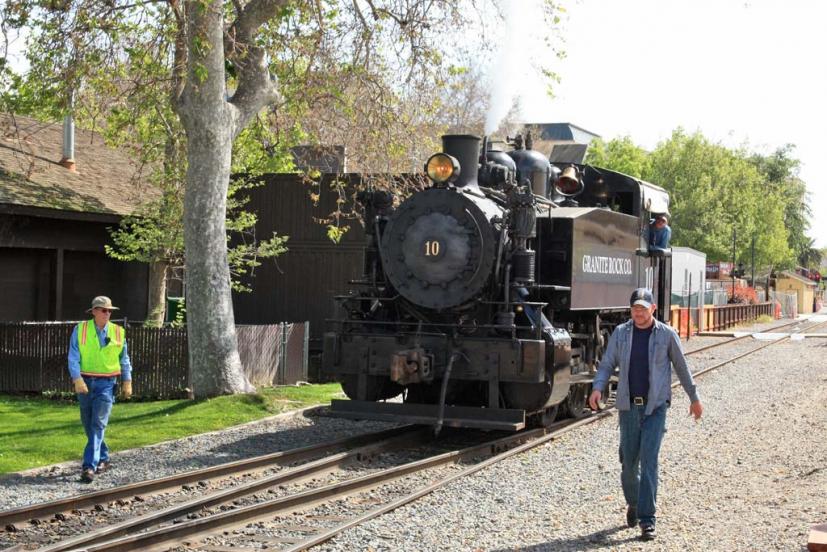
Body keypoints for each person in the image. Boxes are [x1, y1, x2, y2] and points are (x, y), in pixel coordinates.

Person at [588, 288, 702, 541]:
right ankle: (635, 503)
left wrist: (694, 399)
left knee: (649, 462)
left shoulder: (667, 335)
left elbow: (682, 369)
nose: (638, 313)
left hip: (655, 408)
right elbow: (607, 364)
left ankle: (647, 520)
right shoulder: (621, 333)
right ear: (631, 310)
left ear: (653, 309)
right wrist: (597, 387)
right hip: (628, 407)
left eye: (643, 308)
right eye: (634, 308)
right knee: (629, 464)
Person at [68, 296, 133, 483]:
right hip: (85, 382)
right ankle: (103, 457)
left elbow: (124, 359)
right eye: (104, 310)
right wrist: (77, 378)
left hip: (107, 384)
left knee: (98, 424)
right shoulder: (80, 330)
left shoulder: (118, 332)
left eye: (110, 311)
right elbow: (73, 357)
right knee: (88, 424)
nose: (108, 314)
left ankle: (89, 466)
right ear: (94, 311)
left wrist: (127, 380)